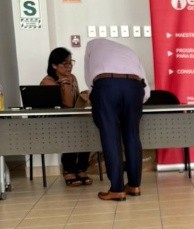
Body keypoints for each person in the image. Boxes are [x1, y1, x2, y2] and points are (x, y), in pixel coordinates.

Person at [84, 38, 150, 201]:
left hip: (107, 86)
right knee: (132, 136)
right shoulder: (129, 51)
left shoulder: (91, 47)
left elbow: (89, 79)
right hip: (134, 87)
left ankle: (117, 189)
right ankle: (134, 185)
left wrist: (96, 98)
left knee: (110, 136)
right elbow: (145, 86)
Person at [41, 47, 92, 187]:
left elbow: (75, 102)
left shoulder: (72, 78)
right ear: (54, 65)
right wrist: (66, 86)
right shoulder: (48, 81)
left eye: (71, 62)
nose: (69, 66)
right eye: (65, 63)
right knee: (72, 132)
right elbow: (68, 104)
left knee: (88, 131)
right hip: (54, 122)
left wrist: (83, 96)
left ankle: (81, 168)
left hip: (72, 119)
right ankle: (69, 170)